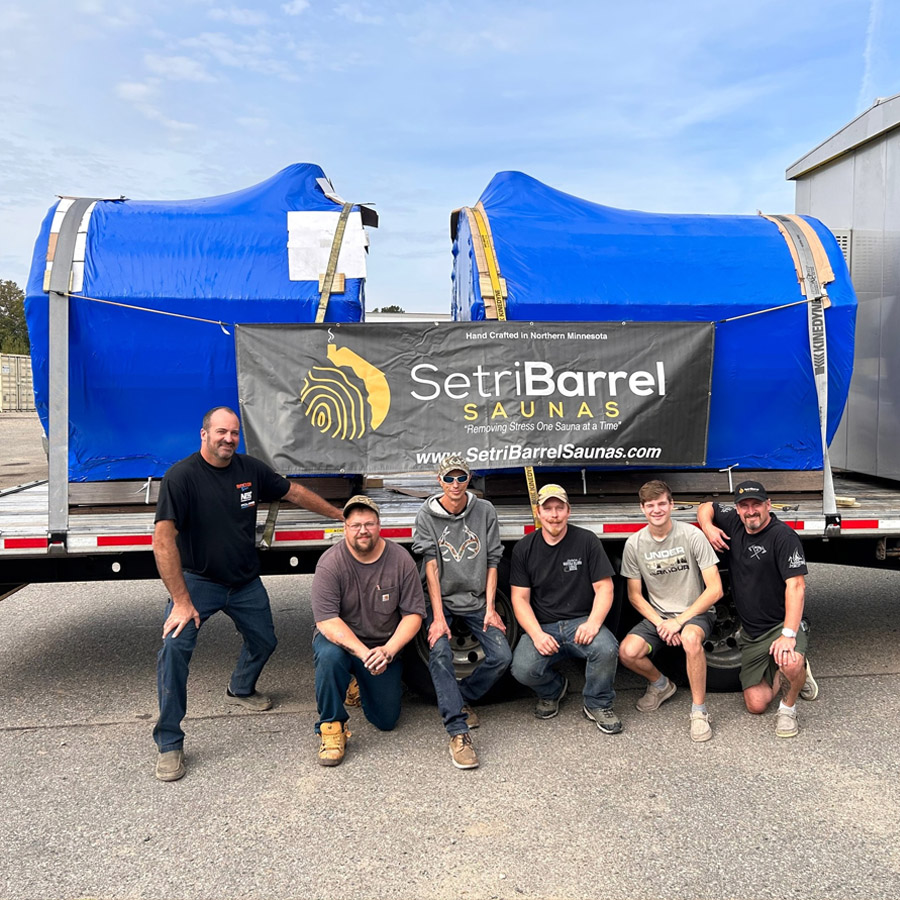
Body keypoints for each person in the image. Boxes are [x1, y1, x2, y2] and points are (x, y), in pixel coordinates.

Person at [152, 406, 343, 782]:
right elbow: (162, 542)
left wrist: (339, 515)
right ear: (203, 434)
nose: (228, 438)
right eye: (221, 432)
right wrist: (180, 600)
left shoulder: (249, 470)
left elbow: (295, 492)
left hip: (244, 583)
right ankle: (170, 743)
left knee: (266, 640)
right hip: (198, 585)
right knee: (174, 650)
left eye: (234, 433)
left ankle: (240, 687)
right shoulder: (181, 477)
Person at [412, 454, 512, 770]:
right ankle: (458, 730)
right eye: (449, 478)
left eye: (461, 478)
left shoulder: (484, 511)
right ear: (439, 481)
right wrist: (438, 618)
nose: (455, 484)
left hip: (476, 599)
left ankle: (460, 696)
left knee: (501, 656)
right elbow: (429, 566)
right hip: (437, 599)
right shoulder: (426, 515)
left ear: (469, 480)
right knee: (439, 652)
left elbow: (494, 560)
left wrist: (491, 607)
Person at [311, 495, 426, 766]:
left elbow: (413, 615)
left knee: (386, 721)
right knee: (329, 658)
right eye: (355, 525)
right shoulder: (330, 563)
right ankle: (331, 727)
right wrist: (364, 654)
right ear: (345, 528)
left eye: (369, 524)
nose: (363, 530)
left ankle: (357, 685)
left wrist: (388, 651)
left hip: (383, 648)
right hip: (342, 644)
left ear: (379, 526)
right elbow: (326, 620)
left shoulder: (400, 560)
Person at [698, 480, 819, 738]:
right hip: (752, 634)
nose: (750, 511)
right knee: (756, 704)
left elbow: (797, 586)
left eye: (756, 505)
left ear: (768, 505)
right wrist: (708, 528)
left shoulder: (784, 537)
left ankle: (788, 708)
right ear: (737, 509)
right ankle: (792, 671)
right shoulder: (733, 522)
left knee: (790, 661)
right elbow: (706, 506)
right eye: (744, 506)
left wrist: (788, 634)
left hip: (779, 625)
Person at [509, 484, 622, 733]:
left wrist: (592, 623)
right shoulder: (524, 548)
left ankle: (597, 703)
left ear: (568, 511)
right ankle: (553, 689)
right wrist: (537, 634)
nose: (554, 515)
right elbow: (519, 599)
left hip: (580, 622)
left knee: (606, 648)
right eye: (548, 509)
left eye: (559, 508)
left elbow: (605, 588)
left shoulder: (587, 541)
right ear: (538, 513)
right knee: (522, 669)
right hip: (544, 626)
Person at [618, 480, 723, 742]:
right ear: (643, 509)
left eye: (662, 503)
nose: (657, 510)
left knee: (689, 638)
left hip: (695, 612)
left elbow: (715, 590)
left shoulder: (692, 535)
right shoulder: (634, 544)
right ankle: (661, 684)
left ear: (671, 504)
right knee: (627, 652)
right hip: (660, 616)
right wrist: (662, 622)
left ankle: (699, 712)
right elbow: (634, 595)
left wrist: (679, 621)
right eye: (650, 505)